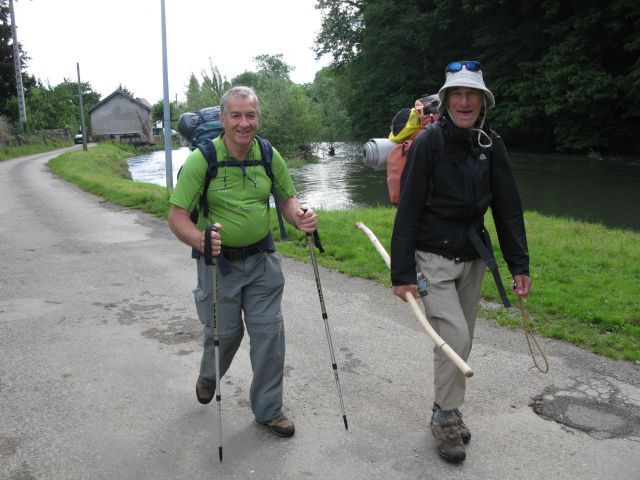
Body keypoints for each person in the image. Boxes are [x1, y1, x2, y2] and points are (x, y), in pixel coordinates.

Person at [390, 61, 531, 463]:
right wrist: (402, 274)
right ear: (448, 100)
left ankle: (443, 408)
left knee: (459, 341)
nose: (465, 101)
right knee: (455, 338)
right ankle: (447, 416)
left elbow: (508, 209)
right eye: (457, 95)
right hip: (432, 257)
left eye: (472, 95)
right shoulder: (429, 143)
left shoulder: (491, 144)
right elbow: (410, 210)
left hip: (472, 258)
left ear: (482, 102)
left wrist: (519, 265)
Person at [168, 86, 317, 438]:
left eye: (250, 115)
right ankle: (209, 374)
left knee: (269, 335)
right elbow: (177, 217)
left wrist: (301, 217)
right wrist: (199, 239)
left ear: (258, 118)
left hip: (262, 261)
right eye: (236, 115)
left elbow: (287, 200)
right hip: (218, 266)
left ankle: (269, 411)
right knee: (226, 334)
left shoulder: (268, 153)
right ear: (223, 119)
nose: (244, 123)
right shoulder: (202, 160)